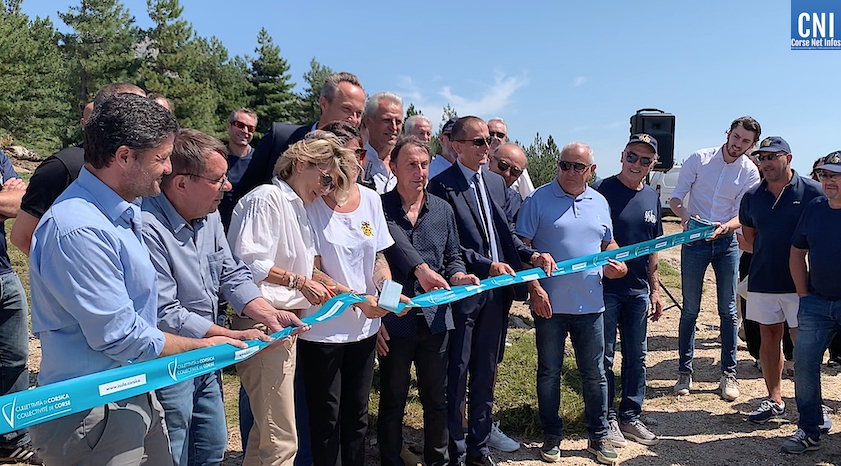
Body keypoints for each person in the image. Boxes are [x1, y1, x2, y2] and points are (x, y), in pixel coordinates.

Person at [27, 93, 248, 465]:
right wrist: (210, 348)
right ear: (125, 156)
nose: (167, 169)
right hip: (92, 416)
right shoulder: (78, 229)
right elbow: (121, 335)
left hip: (134, 397)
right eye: (161, 159)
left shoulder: (121, 212)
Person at [142, 129, 304, 465]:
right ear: (182, 183)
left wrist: (267, 314)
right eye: (218, 179)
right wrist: (230, 335)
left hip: (208, 358)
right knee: (174, 453)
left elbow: (230, 272)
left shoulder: (210, 214)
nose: (228, 186)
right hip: (169, 362)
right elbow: (165, 312)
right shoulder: (146, 228)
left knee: (212, 449)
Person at [428, 116, 555, 466]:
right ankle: (455, 451)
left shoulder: (496, 184)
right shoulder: (441, 187)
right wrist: (487, 266)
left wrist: (531, 255)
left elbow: (507, 236)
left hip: (497, 297)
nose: (488, 148)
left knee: (486, 373)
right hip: (464, 295)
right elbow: (450, 247)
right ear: (457, 146)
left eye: (489, 141)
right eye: (479, 142)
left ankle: (479, 449)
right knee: (457, 374)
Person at [228, 134, 356, 466]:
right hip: (264, 323)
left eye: (334, 184)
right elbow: (247, 261)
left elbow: (309, 271)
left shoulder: (299, 208)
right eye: (326, 179)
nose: (326, 190)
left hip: (282, 327)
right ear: (301, 163)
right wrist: (297, 281)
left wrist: (352, 296)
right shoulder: (267, 198)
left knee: (263, 436)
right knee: (282, 442)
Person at [299, 135, 405, 466]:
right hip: (322, 332)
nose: (358, 162)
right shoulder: (310, 203)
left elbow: (377, 258)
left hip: (364, 331)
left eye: (360, 153)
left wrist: (387, 292)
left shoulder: (371, 200)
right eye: (350, 156)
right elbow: (313, 272)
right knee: (326, 420)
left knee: (358, 417)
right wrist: (359, 301)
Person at [517, 142, 625, 465]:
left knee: (595, 373)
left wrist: (615, 260)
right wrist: (534, 287)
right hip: (549, 305)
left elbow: (608, 242)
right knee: (549, 371)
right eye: (565, 165)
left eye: (578, 166)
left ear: (591, 171)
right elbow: (522, 245)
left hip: (592, 306)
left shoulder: (600, 202)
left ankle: (598, 435)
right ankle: (552, 435)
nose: (570, 172)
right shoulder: (538, 199)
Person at [378, 135, 480, 466]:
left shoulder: (443, 210)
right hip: (394, 318)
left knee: (436, 398)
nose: (419, 172)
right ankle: (391, 459)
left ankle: (438, 460)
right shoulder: (379, 208)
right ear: (393, 167)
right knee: (393, 398)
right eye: (411, 165)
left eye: (424, 165)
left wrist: (459, 277)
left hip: (436, 318)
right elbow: (377, 259)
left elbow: (452, 258)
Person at [669, 116, 761, 401]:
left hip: (726, 244)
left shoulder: (750, 172)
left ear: (752, 144)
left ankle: (728, 374)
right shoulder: (699, 159)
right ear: (728, 133)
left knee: (728, 311)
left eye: (746, 141)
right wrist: (684, 217)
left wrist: (726, 227)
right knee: (690, 309)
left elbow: (742, 215)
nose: (738, 144)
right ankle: (685, 371)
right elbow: (676, 199)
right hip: (694, 241)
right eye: (736, 137)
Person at [737, 137, 823, 426]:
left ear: (788, 158)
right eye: (762, 157)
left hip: (803, 285)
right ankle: (774, 399)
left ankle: (812, 406)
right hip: (762, 281)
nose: (767, 163)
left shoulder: (814, 192)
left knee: (804, 346)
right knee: (768, 339)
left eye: (773, 157)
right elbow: (749, 241)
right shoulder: (751, 196)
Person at [10, 82, 146, 255]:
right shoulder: (61, 167)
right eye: (140, 113)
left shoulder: (148, 168)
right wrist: (67, 272)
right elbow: (22, 236)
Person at [593, 134, 663, 448]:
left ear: (654, 164)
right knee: (604, 357)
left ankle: (630, 415)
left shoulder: (652, 197)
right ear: (622, 156)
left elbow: (655, 248)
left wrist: (655, 290)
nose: (637, 164)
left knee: (637, 356)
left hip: (637, 291)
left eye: (645, 160)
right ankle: (606, 418)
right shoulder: (602, 191)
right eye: (632, 156)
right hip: (606, 289)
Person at [781, 151, 841, 454]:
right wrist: (804, 294)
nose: (829, 182)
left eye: (836, 176)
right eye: (825, 175)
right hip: (817, 302)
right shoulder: (815, 208)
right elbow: (796, 252)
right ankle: (810, 429)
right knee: (804, 366)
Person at [232, 72, 365, 205]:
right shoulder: (280, 139)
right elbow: (245, 194)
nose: (353, 119)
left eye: (359, 113)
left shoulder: (355, 161)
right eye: (347, 109)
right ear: (323, 104)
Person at [0, 150, 33, 464]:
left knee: (15, 359)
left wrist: (10, 200)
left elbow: (22, 201)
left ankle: (12, 440)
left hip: (5, 274)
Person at [220, 107, 258, 228]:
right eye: (240, 125)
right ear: (229, 127)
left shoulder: (259, 160)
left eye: (250, 128)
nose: (245, 131)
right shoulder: (217, 157)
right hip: (219, 224)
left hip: (248, 226)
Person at [362, 92, 403, 193]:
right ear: (368, 121)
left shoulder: (405, 163)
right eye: (386, 120)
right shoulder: (356, 163)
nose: (393, 127)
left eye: (398, 122)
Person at [486, 118, 534, 199]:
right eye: (491, 134)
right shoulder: (476, 164)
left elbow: (529, 197)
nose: (495, 138)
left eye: (500, 135)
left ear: (505, 138)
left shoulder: (518, 165)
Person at [488, 143, 529, 222]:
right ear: (491, 161)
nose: (507, 174)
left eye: (515, 171)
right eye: (503, 165)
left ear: (519, 175)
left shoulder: (515, 202)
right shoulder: (471, 190)